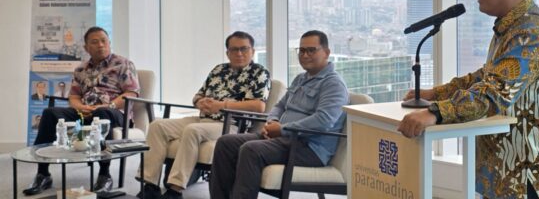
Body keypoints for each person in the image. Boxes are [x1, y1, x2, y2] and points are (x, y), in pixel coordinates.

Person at [397, 0, 539, 199]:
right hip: (505, 173)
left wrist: (435, 113)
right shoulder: (512, 26)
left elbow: (494, 92)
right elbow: (486, 76)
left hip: (526, 176)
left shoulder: (530, 34)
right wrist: (436, 93)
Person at [209, 30, 349, 199]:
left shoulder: (333, 84)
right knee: (225, 143)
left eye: (311, 50)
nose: (305, 55)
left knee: (251, 150)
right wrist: (272, 121)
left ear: (326, 52)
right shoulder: (300, 79)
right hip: (284, 139)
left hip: (309, 148)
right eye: (302, 51)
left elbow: (324, 120)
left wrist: (282, 129)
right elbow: (279, 106)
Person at [138, 31, 270, 199]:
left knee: (193, 130)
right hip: (203, 118)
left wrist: (221, 105)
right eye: (234, 49)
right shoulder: (219, 70)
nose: (239, 53)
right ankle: (150, 184)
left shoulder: (259, 72)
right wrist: (200, 102)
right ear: (227, 52)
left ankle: (175, 189)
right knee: (158, 125)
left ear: (252, 50)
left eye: (244, 49)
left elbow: (258, 106)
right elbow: (197, 96)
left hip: (230, 124)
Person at [23, 26, 140, 196]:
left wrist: (110, 106)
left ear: (109, 43)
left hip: (114, 112)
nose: (100, 45)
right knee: (50, 113)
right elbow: (74, 96)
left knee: (102, 115)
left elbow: (132, 93)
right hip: (85, 112)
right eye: (95, 42)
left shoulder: (123, 64)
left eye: (104, 41)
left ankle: (104, 175)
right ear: (86, 48)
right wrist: (80, 107)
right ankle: (43, 174)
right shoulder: (80, 69)